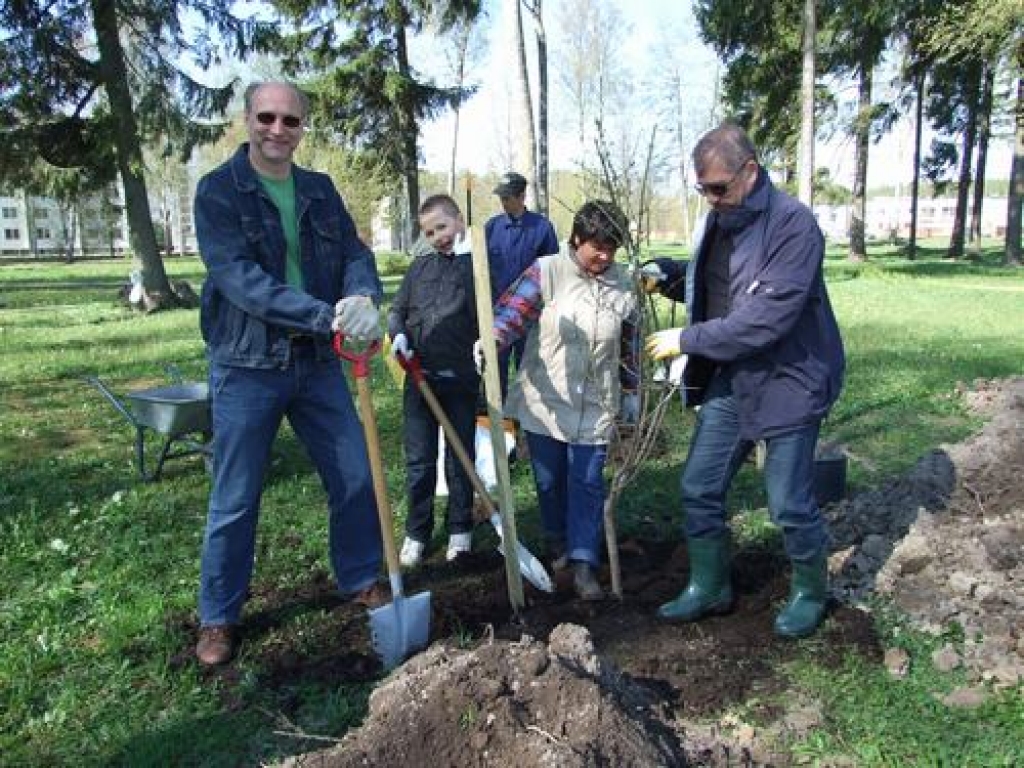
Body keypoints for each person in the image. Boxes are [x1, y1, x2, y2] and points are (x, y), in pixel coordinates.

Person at [192, 81, 386, 666]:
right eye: (267, 118)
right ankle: (219, 616)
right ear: (247, 119)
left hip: (318, 362)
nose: (278, 130)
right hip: (248, 363)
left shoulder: (321, 190)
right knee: (236, 495)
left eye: (291, 121)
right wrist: (327, 315)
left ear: (303, 127)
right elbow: (239, 280)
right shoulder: (218, 192)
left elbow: (356, 253)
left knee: (354, 474)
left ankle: (359, 576)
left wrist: (362, 295)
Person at [644, 122, 845, 639]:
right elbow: (719, 284)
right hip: (736, 378)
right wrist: (669, 275)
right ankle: (710, 586)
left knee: (787, 502)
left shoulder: (794, 226)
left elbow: (764, 318)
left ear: (750, 172)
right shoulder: (724, 218)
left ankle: (809, 591)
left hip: (790, 379)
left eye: (718, 187)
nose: (711, 199)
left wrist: (685, 340)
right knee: (699, 485)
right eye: (702, 189)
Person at [477, 200, 640, 600]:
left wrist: (632, 390)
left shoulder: (623, 282)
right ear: (577, 239)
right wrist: (492, 338)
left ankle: (585, 564)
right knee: (549, 482)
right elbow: (512, 314)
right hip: (544, 399)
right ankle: (558, 545)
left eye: (612, 249)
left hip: (597, 400)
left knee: (586, 483)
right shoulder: (547, 271)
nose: (605, 256)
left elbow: (629, 342)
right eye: (597, 247)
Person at [387, 194, 480, 567]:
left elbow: (490, 313)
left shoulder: (477, 268)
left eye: (442, 227)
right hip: (418, 379)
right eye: (429, 232)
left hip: (459, 379)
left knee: (459, 457)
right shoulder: (419, 269)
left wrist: (484, 345)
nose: (437, 237)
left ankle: (460, 529)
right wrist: (398, 335)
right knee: (419, 461)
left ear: (458, 220)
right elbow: (398, 310)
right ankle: (416, 532)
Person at [485, 171, 560, 398]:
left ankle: (526, 421)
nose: (504, 202)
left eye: (507, 197)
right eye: (501, 198)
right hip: (497, 313)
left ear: (521, 196)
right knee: (495, 369)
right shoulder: (492, 228)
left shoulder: (542, 228)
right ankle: (498, 417)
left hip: (530, 316)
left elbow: (552, 270)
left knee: (527, 370)